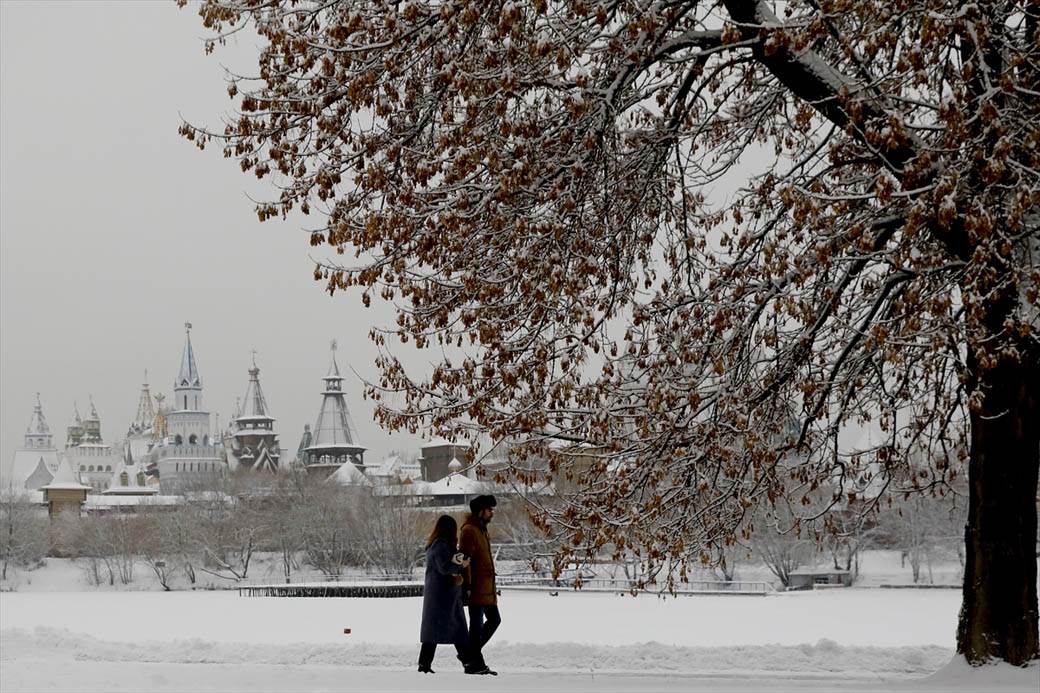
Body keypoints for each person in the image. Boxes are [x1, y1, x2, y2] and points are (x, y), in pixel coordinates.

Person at [418, 514, 492, 675]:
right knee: (457, 630)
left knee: (437, 632)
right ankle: (469, 664)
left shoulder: (437, 544)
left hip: (440, 596)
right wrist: (462, 564)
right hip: (443, 597)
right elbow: (445, 567)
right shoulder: (440, 545)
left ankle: (424, 665)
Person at [460, 494, 501, 673]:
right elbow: (465, 560)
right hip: (476, 588)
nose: (492, 513)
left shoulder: (482, 530)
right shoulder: (469, 530)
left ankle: (468, 655)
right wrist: (467, 586)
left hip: (486, 588)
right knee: (476, 627)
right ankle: (474, 663)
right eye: (489, 509)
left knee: (494, 620)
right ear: (480, 511)